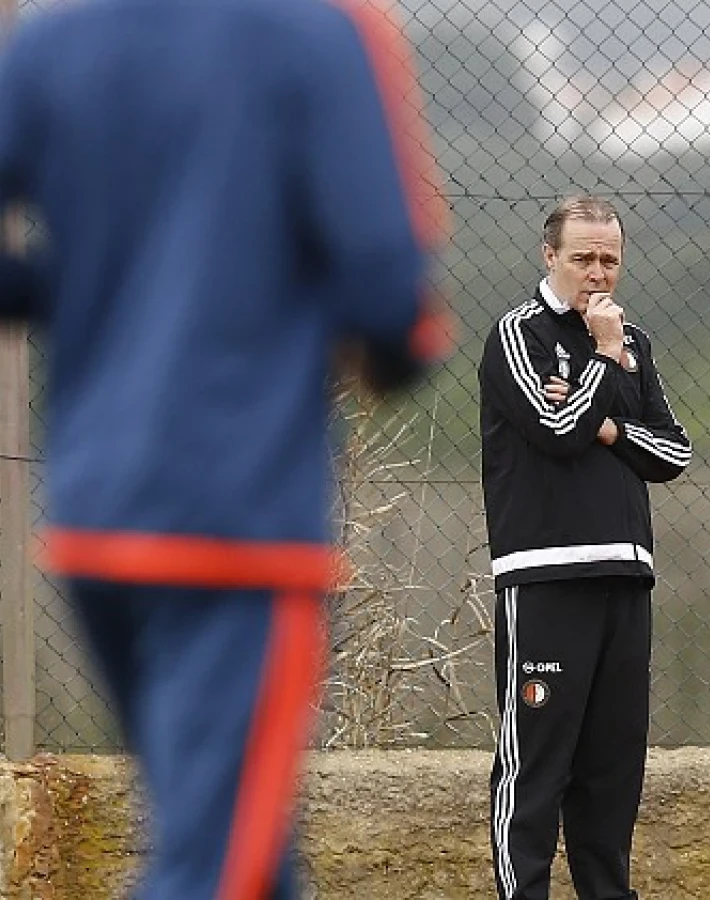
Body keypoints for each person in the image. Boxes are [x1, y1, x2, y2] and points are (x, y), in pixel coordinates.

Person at [0, 0, 449, 896]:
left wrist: (87, 287)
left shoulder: (53, 38)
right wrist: (387, 347)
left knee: (247, 844)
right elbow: (393, 295)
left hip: (95, 517)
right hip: (236, 527)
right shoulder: (319, 31)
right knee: (217, 872)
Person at [479, 195, 692, 900]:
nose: (598, 274)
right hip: (545, 576)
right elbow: (555, 428)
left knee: (611, 776)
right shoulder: (518, 334)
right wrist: (603, 357)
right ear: (551, 257)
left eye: (609, 259)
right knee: (536, 768)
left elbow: (673, 452)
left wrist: (612, 429)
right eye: (583, 259)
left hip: (625, 577)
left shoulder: (639, 344)